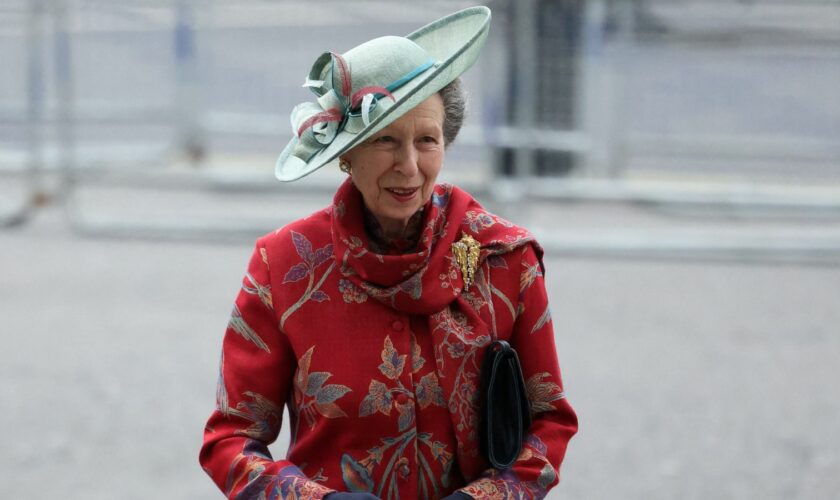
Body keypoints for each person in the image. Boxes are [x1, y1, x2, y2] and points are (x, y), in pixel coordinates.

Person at [199, 6, 577, 499]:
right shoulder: (283, 265)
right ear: (345, 156)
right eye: (385, 141)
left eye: (427, 140)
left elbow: (550, 420)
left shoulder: (504, 259)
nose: (409, 166)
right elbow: (230, 439)